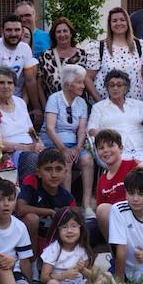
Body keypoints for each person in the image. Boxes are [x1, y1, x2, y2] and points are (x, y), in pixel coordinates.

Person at [92, 128, 143, 244]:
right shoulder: (102, 181)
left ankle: (118, 256)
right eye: (101, 148)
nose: (106, 150)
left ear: (121, 148)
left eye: (110, 146)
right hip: (119, 227)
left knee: (103, 210)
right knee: (84, 229)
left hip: (140, 221)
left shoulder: (133, 166)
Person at [85, 6, 143, 110]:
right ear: (110, 24)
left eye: (122, 20)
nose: (119, 23)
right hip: (107, 110)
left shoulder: (142, 47)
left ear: (128, 22)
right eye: (114, 20)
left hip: (135, 108)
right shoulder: (98, 48)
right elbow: (88, 78)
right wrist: (99, 102)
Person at [44, 64, 92, 210]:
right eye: (79, 82)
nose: (83, 86)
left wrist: (78, 148)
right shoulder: (55, 99)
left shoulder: (81, 102)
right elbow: (50, 129)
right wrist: (64, 149)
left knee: (88, 160)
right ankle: (68, 205)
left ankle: (87, 204)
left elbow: (82, 130)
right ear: (67, 84)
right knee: (67, 160)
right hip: (54, 143)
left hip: (73, 144)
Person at [41, 207, 108, 284]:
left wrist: (83, 270)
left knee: (103, 278)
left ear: (80, 227)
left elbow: (91, 275)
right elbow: (44, 278)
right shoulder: (54, 249)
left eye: (74, 226)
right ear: (58, 230)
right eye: (64, 227)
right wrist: (64, 275)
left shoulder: (82, 248)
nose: (69, 231)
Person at [16, 147, 75, 252]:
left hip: (52, 241)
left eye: (58, 169)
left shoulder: (68, 199)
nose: (53, 175)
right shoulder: (32, 182)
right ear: (38, 172)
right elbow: (20, 208)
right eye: (48, 169)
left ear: (65, 172)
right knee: (32, 219)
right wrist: (50, 212)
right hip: (27, 237)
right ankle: (32, 263)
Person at [88, 70, 143, 160]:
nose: (115, 88)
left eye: (119, 85)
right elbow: (91, 129)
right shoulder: (98, 107)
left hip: (139, 151)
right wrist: (108, 139)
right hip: (114, 153)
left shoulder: (138, 105)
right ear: (107, 88)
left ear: (126, 88)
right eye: (112, 85)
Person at [0, 15, 43, 114]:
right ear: (2, 31)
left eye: (17, 30)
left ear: (22, 32)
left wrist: (36, 107)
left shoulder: (25, 48)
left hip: (18, 100)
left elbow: (29, 80)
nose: (13, 34)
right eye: (9, 30)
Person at [0, 67, 42, 178]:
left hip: (30, 148)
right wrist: (24, 147)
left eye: (10, 83)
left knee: (53, 156)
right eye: (1, 83)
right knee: (31, 159)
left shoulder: (20, 102)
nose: (6, 86)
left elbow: (31, 130)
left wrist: (39, 144)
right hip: (9, 153)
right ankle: (26, 194)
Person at [38, 17, 86, 99]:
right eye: (58, 32)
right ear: (54, 35)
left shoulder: (83, 55)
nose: (62, 34)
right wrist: (44, 106)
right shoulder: (45, 56)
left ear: (71, 33)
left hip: (79, 106)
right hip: (54, 107)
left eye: (65, 31)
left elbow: (87, 81)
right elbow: (39, 84)